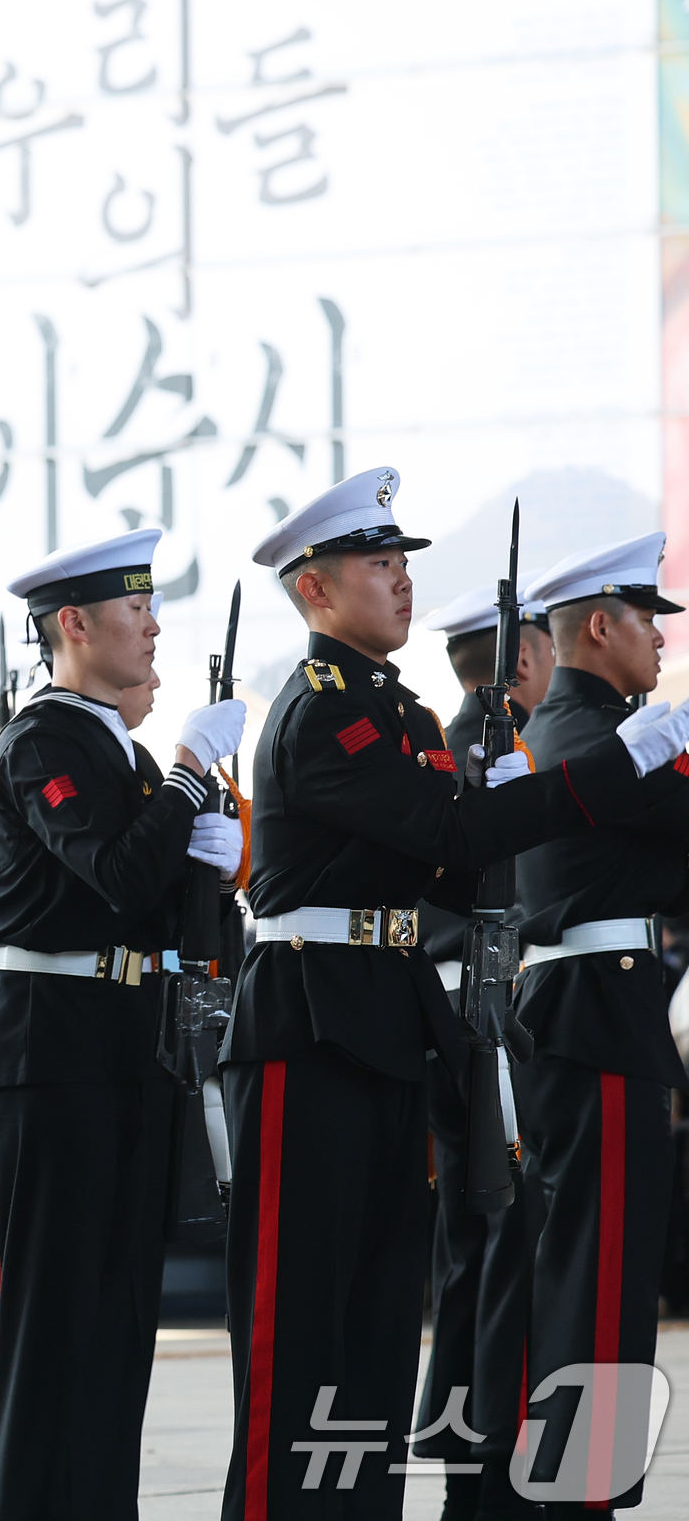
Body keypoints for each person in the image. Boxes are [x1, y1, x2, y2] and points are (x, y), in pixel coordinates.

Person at [222, 469, 689, 1521]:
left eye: (399, 562)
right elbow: (449, 838)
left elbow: (452, 869)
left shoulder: (397, 710)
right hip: (314, 1013)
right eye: (378, 564)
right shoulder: (322, 710)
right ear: (313, 588)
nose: (399, 581)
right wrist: (602, 769)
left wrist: (486, 788)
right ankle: (559, 1501)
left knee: (383, 1327)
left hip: (390, 1015)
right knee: (305, 1324)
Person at [0, 529, 244, 1520]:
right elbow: (117, 870)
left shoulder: (106, 746)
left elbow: (164, 912)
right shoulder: (45, 738)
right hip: (49, 1046)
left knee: (116, 1314)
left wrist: (209, 861)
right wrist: (178, 778)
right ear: (74, 625)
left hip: (119, 1041)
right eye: (134, 609)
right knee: (54, 1315)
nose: (152, 623)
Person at [510, 534, 689, 1517]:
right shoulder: (594, 738)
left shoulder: (587, 728)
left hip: (589, 1011)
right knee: (601, 1279)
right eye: (644, 621)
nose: (658, 640)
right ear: (595, 627)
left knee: (593, 1271)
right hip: (596, 1016)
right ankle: (578, 1499)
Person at [413, 586, 553, 1521]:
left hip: (462, 1007)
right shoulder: (484, 746)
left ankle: (468, 1455)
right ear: (526, 659)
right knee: (505, 1238)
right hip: (483, 1010)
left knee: (476, 1241)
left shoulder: (468, 737)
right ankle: (489, 1469)